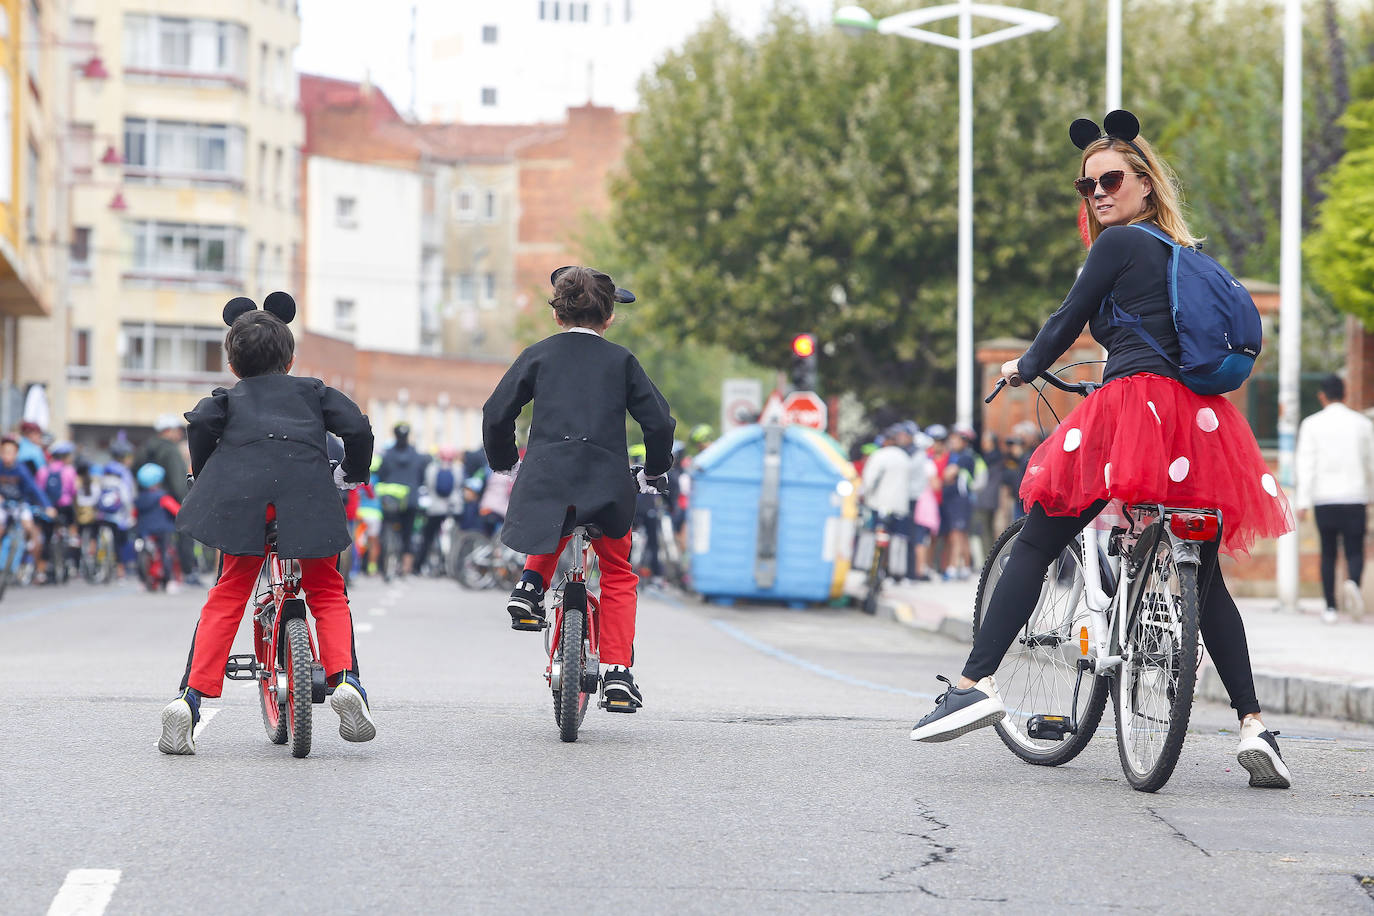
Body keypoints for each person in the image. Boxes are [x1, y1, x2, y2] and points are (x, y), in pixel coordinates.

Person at [910, 111, 1295, 790]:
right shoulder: (1186, 257)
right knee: (1205, 581)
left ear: (1145, 183)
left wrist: (1023, 367)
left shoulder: (1118, 246)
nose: (1098, 194)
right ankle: (1254, 726)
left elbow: (1067, 317)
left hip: (1133, 406)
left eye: (1110, 179)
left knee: (1037, 535)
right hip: (1199, 422)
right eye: (1086, 186)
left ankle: (973, 683)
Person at [158, 293, 375, 755]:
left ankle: (190, 701)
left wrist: (201, 474)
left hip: (244, 504)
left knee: (229, 593)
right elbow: (356, 426)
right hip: (308, 499)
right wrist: (352, 474)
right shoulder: (314, 392)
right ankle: (346, 680)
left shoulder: (227, 399)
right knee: (327, 590)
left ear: (233, 365)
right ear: (291, 359)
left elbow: (199, 423)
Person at [483, 266, 675, 711]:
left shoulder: (538, 355)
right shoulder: (622, 361)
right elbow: (659, 422)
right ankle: (617, 674)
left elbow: (496, 413)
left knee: (552, 517)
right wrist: (653, 470)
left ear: (556, 316)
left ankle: (530, 587)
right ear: (608, 319)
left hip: (548, 474)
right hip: (606, 481)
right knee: (617, 572)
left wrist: (507, 464)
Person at [1295, 373, 1374, 623]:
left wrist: (1303, 501)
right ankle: (1352, 584)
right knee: (1354, 550)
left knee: (1328, 552)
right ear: (1345, 394)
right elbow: (1371, 461)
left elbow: (1306, 463)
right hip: (1355, 496)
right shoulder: (1362, 423)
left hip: (1324, 497)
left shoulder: (1311, 424)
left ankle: (1330, 607)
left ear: (1321, 396)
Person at [139, 414, 197, 585]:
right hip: (169, 503)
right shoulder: (170, 450)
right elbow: (178, 480)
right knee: (183, 535)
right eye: (177, 430)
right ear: (168, 431)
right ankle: (187, 572)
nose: (179, 434)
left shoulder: (145, 447)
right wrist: (186, 502)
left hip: (148, 501)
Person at [375, 423, 430, 576]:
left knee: (387, 529)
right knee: (408, 534)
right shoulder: (417, 456)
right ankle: (406, 568)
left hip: (391, 500)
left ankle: (385, 561)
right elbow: (421, 478)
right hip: (411, 500)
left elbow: (381, 476)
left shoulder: (387, 455)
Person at [861, 425, 913, 579]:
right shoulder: (904, 457)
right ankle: (894, 572)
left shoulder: (879, 455)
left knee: (874, 537)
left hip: (879, 504)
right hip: (900, 507)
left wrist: (864, 495)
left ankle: (872, 571)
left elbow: (869, 480)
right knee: (896, 540)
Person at [0, 434, 55, 565]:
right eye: (4, 452)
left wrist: (48, 506)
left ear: (16, 453)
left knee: (29, 527)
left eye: (10, 452)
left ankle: (27, 552)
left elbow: (34, 489)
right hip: (2, 504)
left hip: (20, 503)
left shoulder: (21, 469)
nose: (7, 456)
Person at [34, 441, 79, 583]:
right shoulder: (69, 470)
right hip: (64, 507)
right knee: (72, 520)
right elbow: (73, 491)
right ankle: (72, 537)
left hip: (48, 508)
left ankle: (41, 573)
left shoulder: (43, 470)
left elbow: (38, 490)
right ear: (65, 457)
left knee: (46, 539)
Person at [133, 462, 181, 593]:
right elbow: (177, 510)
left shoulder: (139, 499)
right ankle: (169, 581)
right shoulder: (163, 497)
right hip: (163, 529)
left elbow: (134, 514)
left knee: (142, 552)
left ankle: (142, 582)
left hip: (144, 530)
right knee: (166, 552)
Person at [416, 445, 464, 573]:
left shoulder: (431, 468)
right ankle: (454, 566)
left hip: (435, 508)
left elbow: (428, 484)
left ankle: (418, 566)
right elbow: (459, 485)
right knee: (456, 537)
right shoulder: (458, 468)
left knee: (428, 537)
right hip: (454, 508)